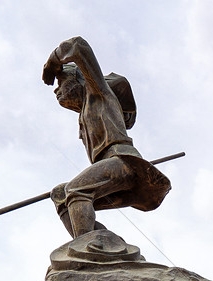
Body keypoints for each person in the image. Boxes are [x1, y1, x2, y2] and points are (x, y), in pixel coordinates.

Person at [41, 36, 170, 238]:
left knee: (77, 191)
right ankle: (105, 245)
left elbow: (78, 46)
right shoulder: (85, 114)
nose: (57, 89)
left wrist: (53, 61)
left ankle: (87, 248)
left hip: (122, 162)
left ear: (79, 80)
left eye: (62, 80)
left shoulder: (99, 94)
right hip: (110, 170)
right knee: (60, 194)